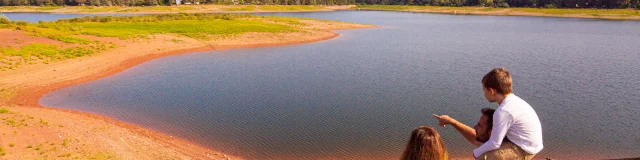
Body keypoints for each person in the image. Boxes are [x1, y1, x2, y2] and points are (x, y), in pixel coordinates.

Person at [433, 108, 531, 160]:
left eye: (479, 125)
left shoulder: (494, 156)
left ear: (491, 132)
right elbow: (474, 137)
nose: (475, 127)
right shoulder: (496, 140)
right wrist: (451, 121)